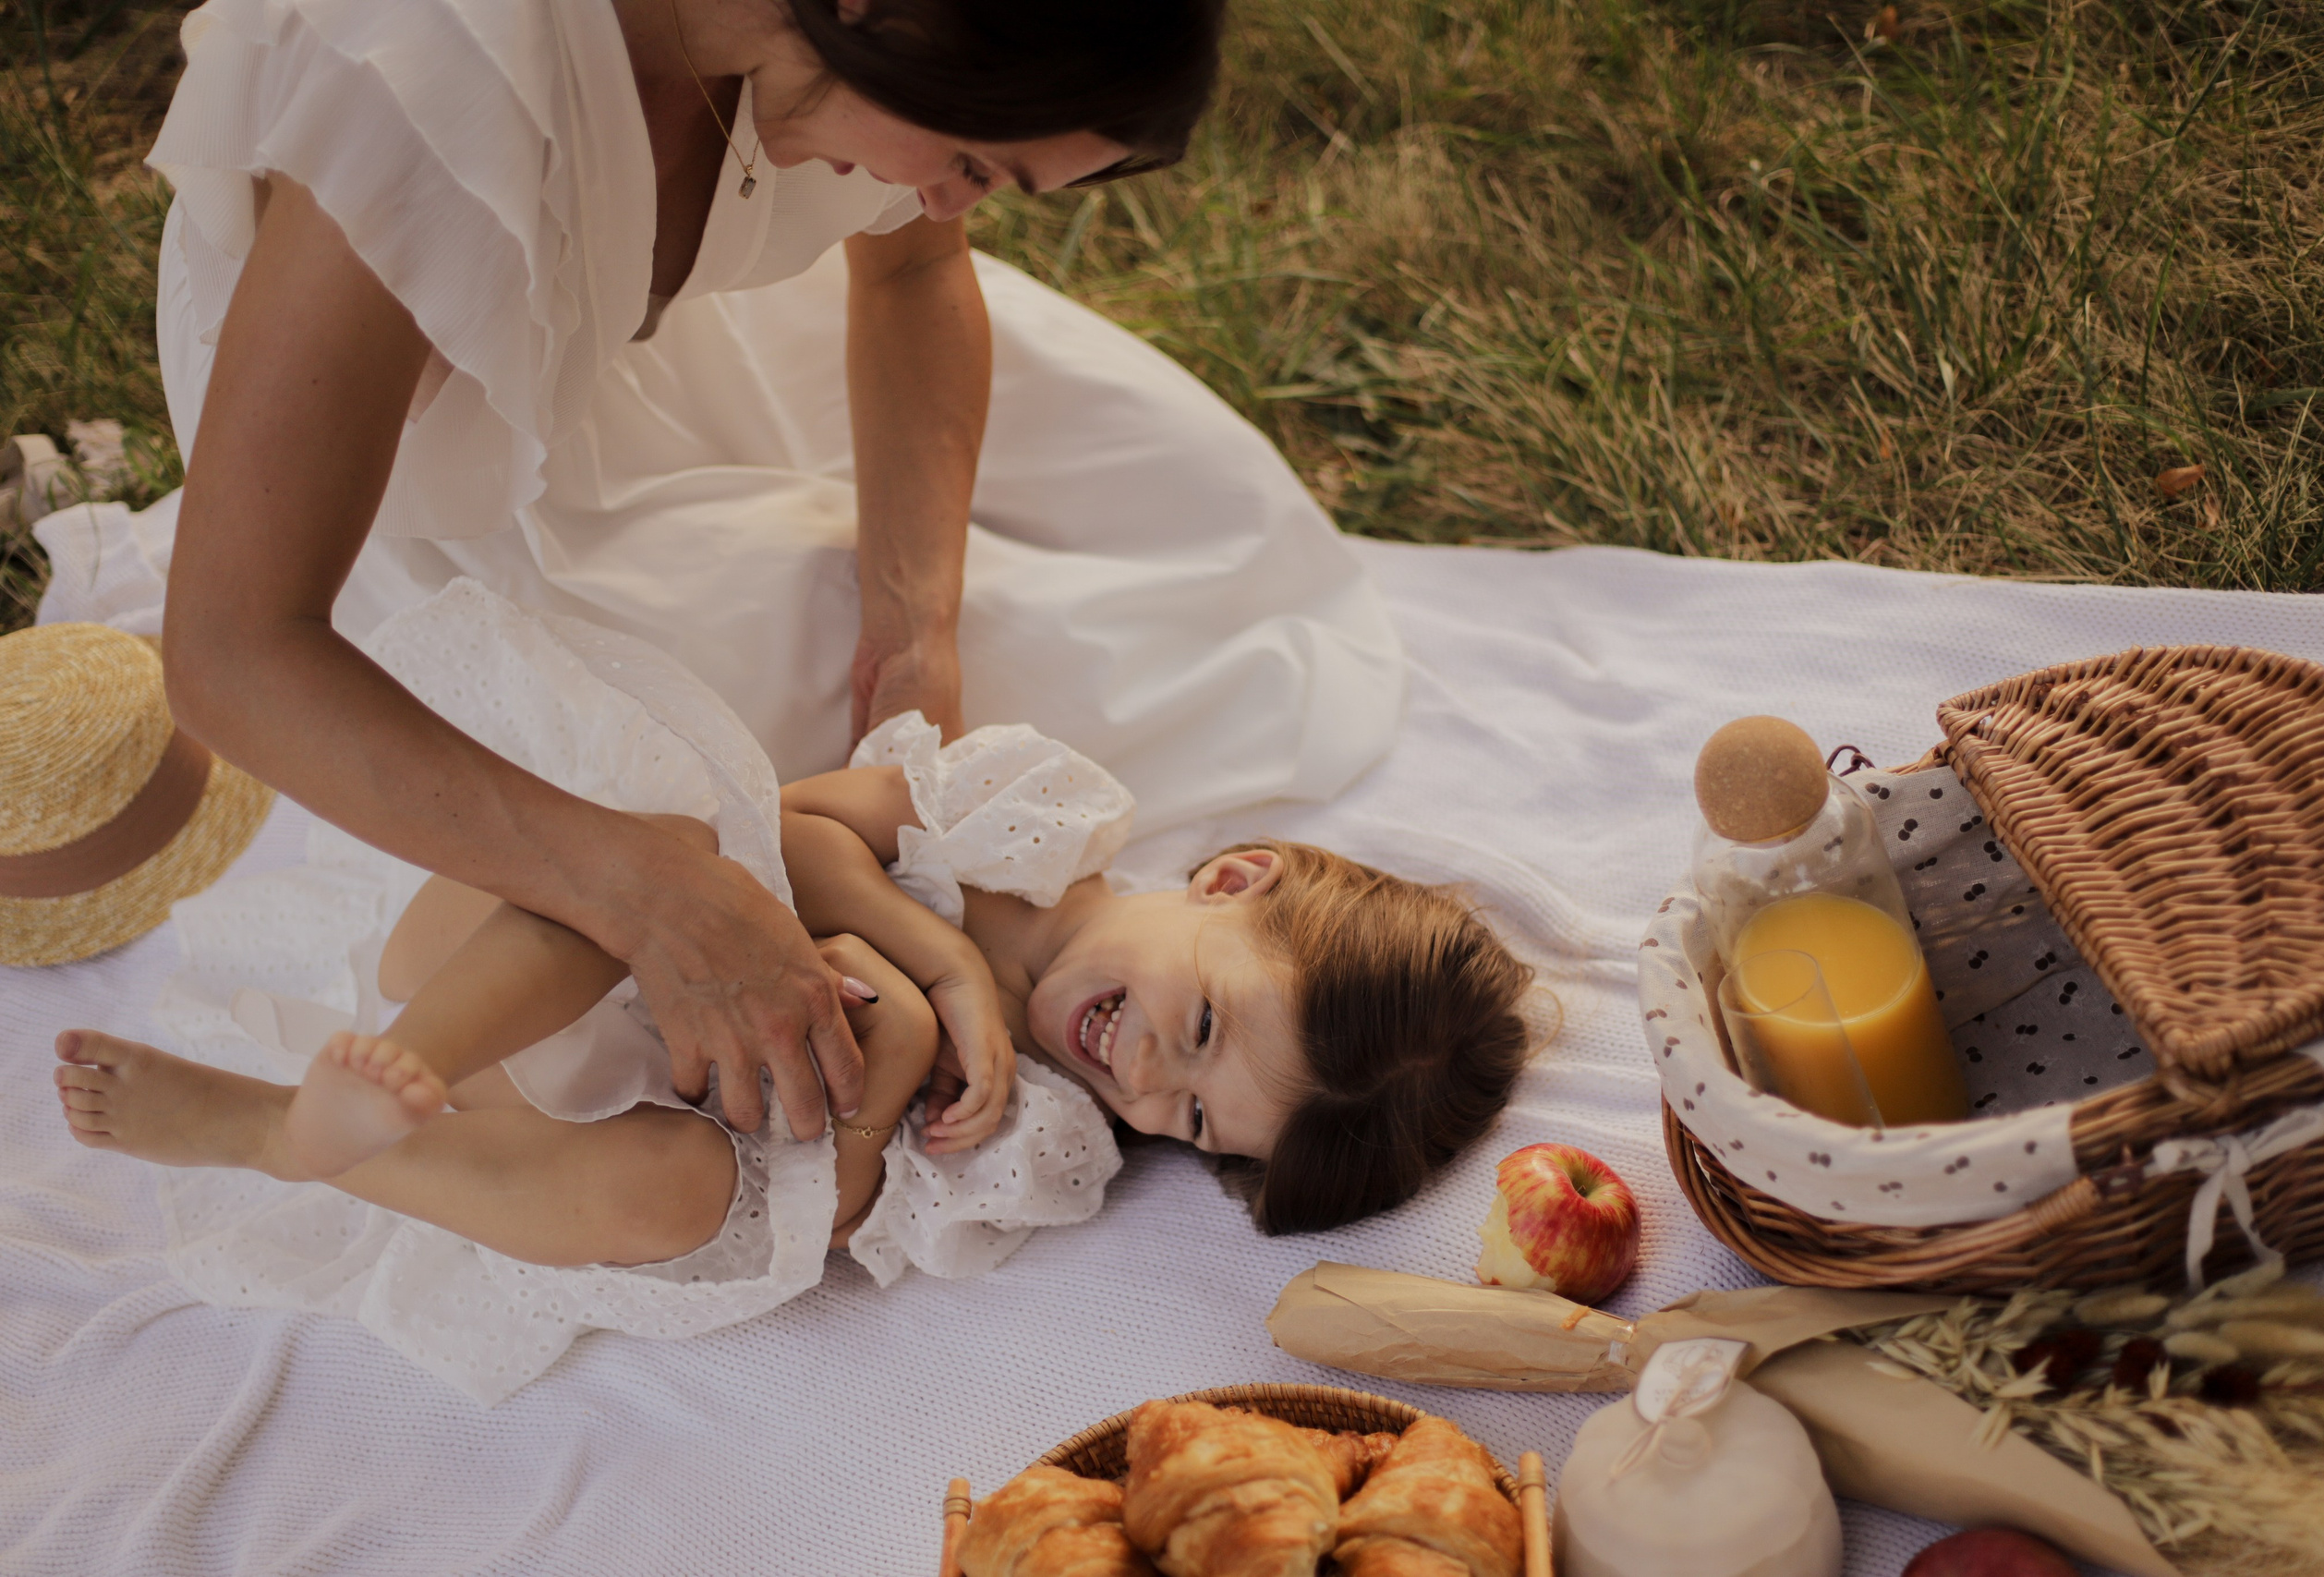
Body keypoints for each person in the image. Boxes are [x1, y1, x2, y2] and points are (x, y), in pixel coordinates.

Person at [134, 0, 1404, 1172]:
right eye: (972, 161)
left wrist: (916, 629)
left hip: (664, 351)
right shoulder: (428, 81)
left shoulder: (848, 66)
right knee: (696, 770)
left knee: (1125, 601)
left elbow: (912, 270)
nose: (950, 198)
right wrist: (647, 892)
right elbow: (234, 650)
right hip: (421, 471)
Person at [49, 583, 1522, 1401]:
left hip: (614, 1126)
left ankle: (289, 1140)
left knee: (673, 1202)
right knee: (685, 854)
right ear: (1233, 882)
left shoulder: (1049, 1139)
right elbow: (794, 821)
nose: (1141, 1076)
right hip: (511, 972)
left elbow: (845, 1227)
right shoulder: (1029, 816)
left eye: (1195, 1121)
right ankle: (384, 1070)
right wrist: (923, 953)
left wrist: (876, 1097)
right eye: (1197, 1025)